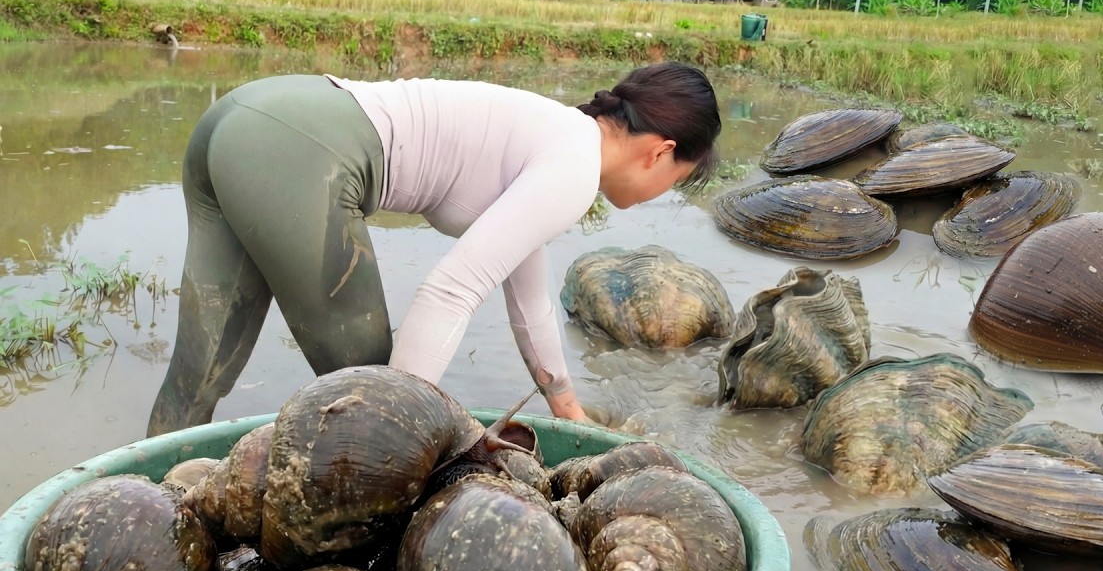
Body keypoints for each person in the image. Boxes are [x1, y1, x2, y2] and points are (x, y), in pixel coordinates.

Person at [146, 62, 722, 437]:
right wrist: (406, 427)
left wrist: (565, 406)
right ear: (660, 152)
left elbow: (529, 301)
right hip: (301, 152)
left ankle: (143, 497)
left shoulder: (557, 135)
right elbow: (450, 290)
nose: (656, 195)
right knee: (375, 399)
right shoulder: (573, 168)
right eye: (675, 180)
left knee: (200, 370)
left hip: (250, 112)